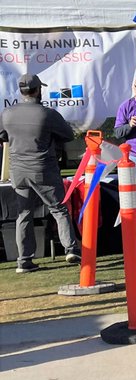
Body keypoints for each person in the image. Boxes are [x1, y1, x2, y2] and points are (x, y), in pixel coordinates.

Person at [0, 73, 81, 273]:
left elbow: (2, 136)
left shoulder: (7, 113)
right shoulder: (47, 113)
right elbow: (68, 135)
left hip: (18, 171)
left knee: (24, 214)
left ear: (21, 91)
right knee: (58, 209)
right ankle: (71, 250)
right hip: (44, 168)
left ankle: (24, 261)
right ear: (38, 90)